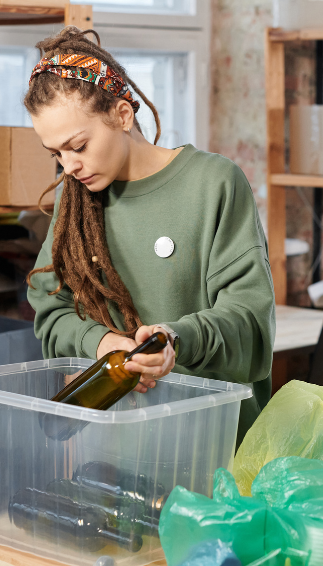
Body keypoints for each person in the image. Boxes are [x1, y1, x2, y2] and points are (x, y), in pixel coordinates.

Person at [25, 26, 275, 440]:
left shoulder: (213, 183)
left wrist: (174, 340)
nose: (68, 166)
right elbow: (52, 311)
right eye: (57, 154)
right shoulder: (79, 201)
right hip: (117, 452)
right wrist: (103, 344)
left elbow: (249, 320)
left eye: (79, 146)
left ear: (123, 115)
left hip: (214, 449)